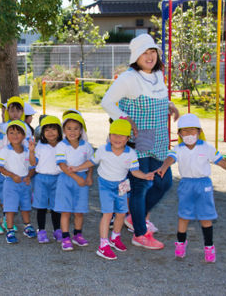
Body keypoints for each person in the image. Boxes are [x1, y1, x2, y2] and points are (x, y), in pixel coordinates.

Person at [101, 33, 179, 250]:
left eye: (152, 51)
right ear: (136, 56)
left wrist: (170, 104)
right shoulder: (128, 78)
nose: (150, 56)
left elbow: (157, 96)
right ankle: (140, 233)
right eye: (145, 52)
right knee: (141, 185)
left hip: (160, 138)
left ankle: (135, 216)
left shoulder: (158, 75)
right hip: (140, 140)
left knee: (164, 182)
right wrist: (125, 121)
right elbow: (106, 102)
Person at [156, 113, 226, 263]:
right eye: (184, 131)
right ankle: (180, 243)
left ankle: (209, 246)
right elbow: (170, 158)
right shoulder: (178, 148)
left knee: (206, 217)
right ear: (179, 133)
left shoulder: (207, 147)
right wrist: (164, 167)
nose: (189, 134)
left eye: (192, 130)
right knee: (184, 216)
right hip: (186, 184)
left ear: (199, 131)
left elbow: (221, 161)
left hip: (203, 184)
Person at [70, 119, 155, 260]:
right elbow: (91, 162)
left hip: (122, 184)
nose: (117, 139)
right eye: (114, 135)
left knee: (121, 213)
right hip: (105, 185)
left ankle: (115, 238)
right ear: (109, 136)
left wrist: (145, 176)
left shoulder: (131, 154)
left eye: (122, 136)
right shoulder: (103, 150)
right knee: (108, 214)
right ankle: (103, 245)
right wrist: (77, 168)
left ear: (128, 138)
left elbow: (134, 171)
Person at [54, 113, 93, 251]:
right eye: (69, 128)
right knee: (66, 211)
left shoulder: (87, 146)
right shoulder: (61, 146)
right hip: (66, 179)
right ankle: (65, 237)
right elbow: (62, 165)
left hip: (82, 179)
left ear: (81, 130)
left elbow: (90, 163)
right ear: (64, 130)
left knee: (79, 211)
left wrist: (88, 177)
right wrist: (77, 178)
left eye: (76, 128)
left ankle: (77, 235)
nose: (72, 132)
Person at [0, 120, 37, 244]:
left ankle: (27, 226)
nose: (15, 135)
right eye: (11, 133)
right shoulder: (5, 150)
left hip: (25, 183)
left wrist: (29, 175)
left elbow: (33, 165)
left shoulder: (27, 150)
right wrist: (12, 175)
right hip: (11, 183)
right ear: (7, 135)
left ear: (24, 136)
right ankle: (10, 230)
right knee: (10, 208)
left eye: (18, 133)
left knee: (26, 206)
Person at [29, 115, 63, 243]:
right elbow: (33, 163)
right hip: (41, 179)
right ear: (42, 132)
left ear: (59, 131)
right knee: (41, 206)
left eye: (53, 129)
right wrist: (31, 151)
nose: (50, 133)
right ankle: (41, 231)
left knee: (56, 206)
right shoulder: (40, 146)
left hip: (58, 178)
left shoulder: (63, 145)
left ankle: (57, 230)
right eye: (47, 130)